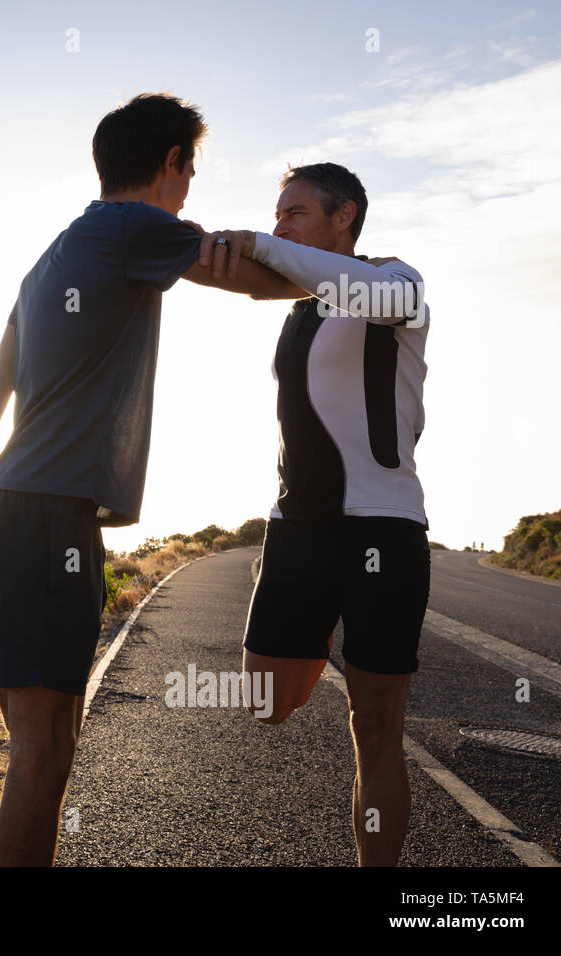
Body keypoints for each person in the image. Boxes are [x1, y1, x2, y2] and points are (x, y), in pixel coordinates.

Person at [0, 93, 305, 866]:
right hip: (47, 516)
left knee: (51, 745)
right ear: (169, 161)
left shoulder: (50, 259)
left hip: (21, 510)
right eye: (190, 170)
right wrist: (352, 278)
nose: (190, 188)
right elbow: (256, 281)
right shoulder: (134, 227)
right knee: (40, 754)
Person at [199, 162, 431, 866]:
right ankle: (332, 640)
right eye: (276, 213)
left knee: (376, 728)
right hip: (298, 531)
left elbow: (340, 283)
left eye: (295, 212)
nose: (280, 225)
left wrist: (263, 247)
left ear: (345, 216)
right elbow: (232, 271)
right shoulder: (300, 304)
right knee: (266, 703)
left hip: (382, 531)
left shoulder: (398, 283)